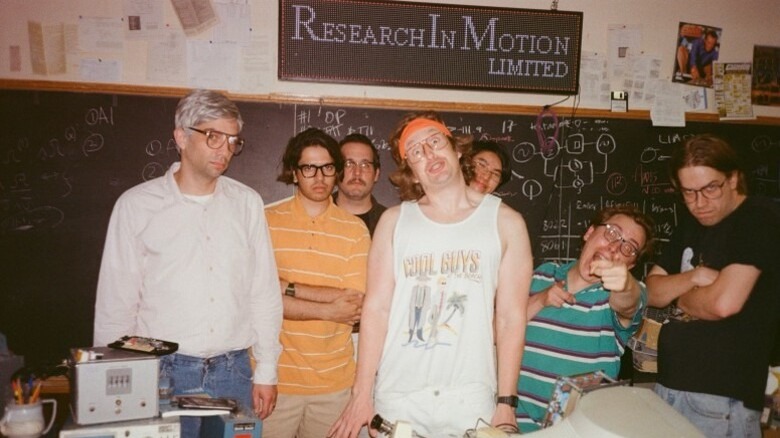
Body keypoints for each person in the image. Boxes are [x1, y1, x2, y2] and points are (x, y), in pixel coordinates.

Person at [328, 111, 533, 438]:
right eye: (416, 151)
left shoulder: (506, 222)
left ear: (457, 149)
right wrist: (361, 394)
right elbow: (377, 310)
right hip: (398, 400)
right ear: (411, 168)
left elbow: (510, 318)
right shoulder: (394, 222)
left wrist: (506, 402)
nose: (428, 154)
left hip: (470, 402)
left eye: (435, 142)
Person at [93, 89, 283, 437]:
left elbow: (264, 292)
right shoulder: (137, 206)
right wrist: (112, 382)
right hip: (162, 373)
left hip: (233, 372)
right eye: (213, 136)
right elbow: (116, 305)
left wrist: (267, 370)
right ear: (182, 136)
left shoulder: (247, 204)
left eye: (232, 140)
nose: (224, 149)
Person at [646, 134, 780, 437]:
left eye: (710, 188)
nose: (699, 203)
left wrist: (679, 298)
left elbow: (724, 303)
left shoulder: (758, 218)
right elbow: (650, 292)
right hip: (670, 386)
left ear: (733, 179)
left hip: (720, 397)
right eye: (688, 193)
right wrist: (693, 279)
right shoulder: (691, 224)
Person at [263, 128, 370, 438]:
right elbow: (261, 299)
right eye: (309, 168)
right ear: (295, 173)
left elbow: (353, 302)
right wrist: (327, 310)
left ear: (336, 171)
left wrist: (286, 286)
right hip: (274, 382)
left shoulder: (355, 231)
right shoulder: (265, 221)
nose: (319, 177)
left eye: (327, 167)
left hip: (334, 386)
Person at [515, 205, 655, 433]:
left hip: (576, 431)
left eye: (628, 248)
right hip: (515, 425)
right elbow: (499, 330)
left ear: (630, 265)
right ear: (589, 233)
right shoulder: (543, 274)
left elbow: (630, 301)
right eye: (611, 233)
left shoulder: (620, 295)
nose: (614, 247)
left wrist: (625, 284)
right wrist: (540, 300)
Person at [333, 133, 387, 237]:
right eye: (349, 164)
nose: (357, 172)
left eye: (365, 165)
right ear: (336, 172)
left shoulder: (391, 223)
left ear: (376, 174)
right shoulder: (315, 217)